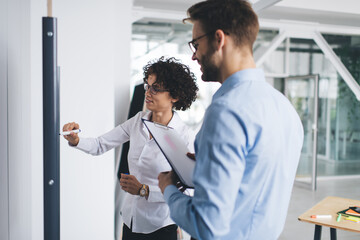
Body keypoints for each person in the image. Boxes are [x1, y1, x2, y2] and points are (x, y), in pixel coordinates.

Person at [158, 1, 304, 240]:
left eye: (196, 44)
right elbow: (253, 180)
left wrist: (169, 190)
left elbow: (206, 226)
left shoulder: (226, 111)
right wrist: (208, 162)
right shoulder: (285, 108)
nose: (194, 55)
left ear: (219, 39)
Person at [62, 57, 198, 240]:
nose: (148, 93)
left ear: (175, 96)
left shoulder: (184, 136)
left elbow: (188, 191)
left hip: (160, 227)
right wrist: (76, 140)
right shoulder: (137, 121)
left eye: (156, 88)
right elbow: (100, 144)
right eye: (147, 86)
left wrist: (145, 190)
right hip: (130, 222)